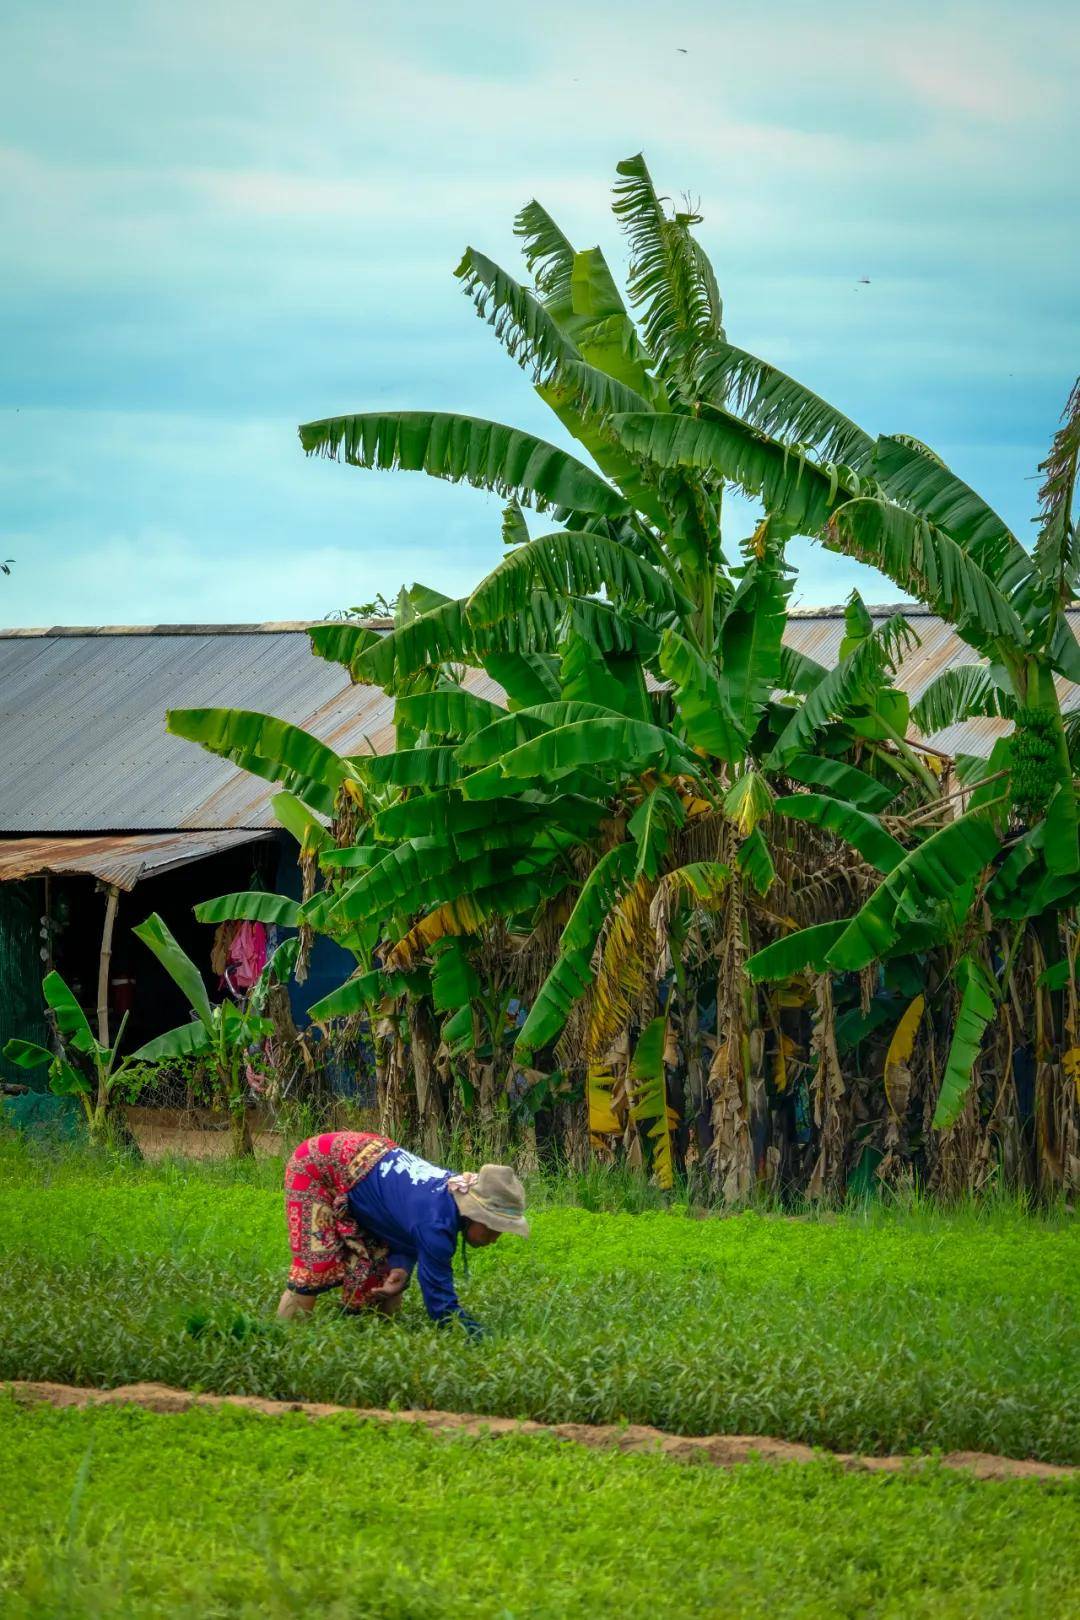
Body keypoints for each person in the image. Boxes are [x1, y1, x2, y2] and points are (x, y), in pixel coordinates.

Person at [276, 1131, 528, 1336]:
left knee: (383, 1275)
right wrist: (482, 1337)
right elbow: (441, 1307)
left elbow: (403, 1218)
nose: (495, 1239)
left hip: (365, 1164)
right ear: (476, 1215)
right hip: (319, 1164)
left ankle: (374, 1343)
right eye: (494, 1228)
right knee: (314, 1267)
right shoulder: (436, 1225)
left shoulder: (449, 1194)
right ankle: (285, 1341)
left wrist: (401, 1265)